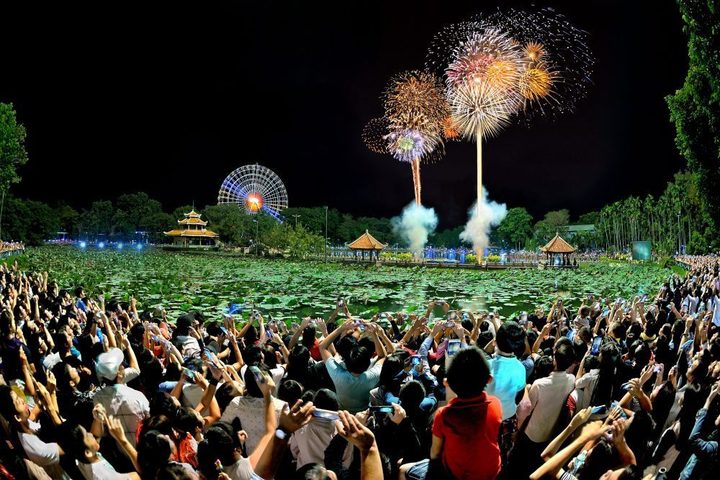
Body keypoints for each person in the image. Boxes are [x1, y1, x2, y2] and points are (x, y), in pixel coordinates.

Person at [422, 346, 502, 480]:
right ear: (489, 379)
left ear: (446, 383)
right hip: (492, 471)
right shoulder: (496, 404)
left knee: (405, 470)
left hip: (458, 475)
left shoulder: (443, 415)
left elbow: (434, 454)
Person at [485, 321, 527, 464]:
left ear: (495, 342)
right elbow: (518, 397)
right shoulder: (520, 368)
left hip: (487, 419)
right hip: (508, 418)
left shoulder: (486, 366)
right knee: (504, 450)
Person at [93, 347, 150, 446]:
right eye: (121, 365)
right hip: (143, 447)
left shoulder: (98, 398)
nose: (124, 366)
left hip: (120, 451)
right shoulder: (138, 396)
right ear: (119, 373)